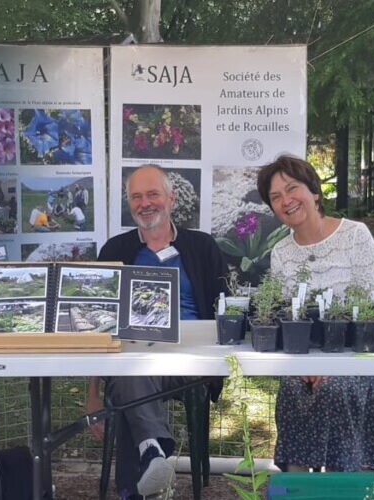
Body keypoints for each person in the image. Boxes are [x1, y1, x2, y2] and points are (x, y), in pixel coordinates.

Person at [258, 155, 374, 472]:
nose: (286, 200)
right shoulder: (281, 253)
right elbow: (289, 317)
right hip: (305, 360)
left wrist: (332, 364)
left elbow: (372, 309)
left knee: (335, 389)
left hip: (360, 355)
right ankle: (300, 487)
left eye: (292, 188)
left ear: (314, 192)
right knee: (294, 388)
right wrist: (310, 363)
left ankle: (349, 481)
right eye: (275, 197)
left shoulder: (355, 236)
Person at [90, 165, 229, 499]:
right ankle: (154, 454)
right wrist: (93, 393)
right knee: (129, 368)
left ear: (171, 198)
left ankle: (136, 484)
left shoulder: (201, 247)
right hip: (132, 357)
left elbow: (225, 308)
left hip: (190, 361)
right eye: (136, 196)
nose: (145, 203)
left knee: (128, 378)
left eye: (153, 194)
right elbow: (98, 325)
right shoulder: (115, 250)